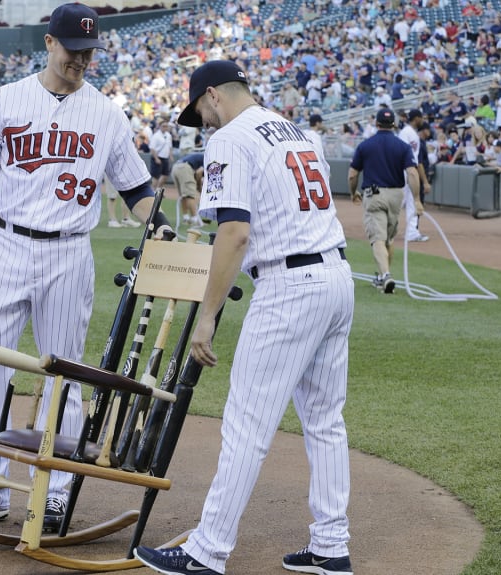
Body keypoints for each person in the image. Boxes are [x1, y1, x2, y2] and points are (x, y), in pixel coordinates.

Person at [0, 1, 173, 535]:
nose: (82, 60)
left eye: (89, 52)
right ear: (48, 43)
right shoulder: (7, 99)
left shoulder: (106, 113)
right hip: (7, 245)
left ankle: (55, 493)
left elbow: (137, 190)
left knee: (65, 373)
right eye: (73, 50)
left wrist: (160, 227)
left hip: (69, 252)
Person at [134, 59, 355, 575]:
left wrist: (207, 315)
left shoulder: (231, 138)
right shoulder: (299, 132)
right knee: (325, 421)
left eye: (201, 111)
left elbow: (234, 234)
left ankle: (207, 552)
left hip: (288, 287)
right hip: (335, 277)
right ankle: (331, 544)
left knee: (246, 425)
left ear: (213, 94)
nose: (203, 123)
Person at [348, 108, 422, 294]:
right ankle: (383, 276)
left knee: (378, 239)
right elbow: (412, 173)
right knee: (389, 238)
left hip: (374, 194)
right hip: (396, 195)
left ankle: (386, 275)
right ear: (394, 124)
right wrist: (417, 199)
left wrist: (353, 192)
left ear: (377, 123)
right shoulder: (403, 146)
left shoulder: (365, 145)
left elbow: (352, 174)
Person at [400, 109, 432, 242]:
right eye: (421, 117)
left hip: (407, 170)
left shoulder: (410, 133)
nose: (423, 120)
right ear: (416, 118)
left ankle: (412, 232)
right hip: (404, 170)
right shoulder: (408, 133)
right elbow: (413, 159)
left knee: (411, 201)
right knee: (399, 201)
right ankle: (384, 229)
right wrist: (424, 181)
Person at [171, 151, 205, 227]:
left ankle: (186, 218)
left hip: (176, 167)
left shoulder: (201, 156)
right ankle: (195, 220)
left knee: (184, 195)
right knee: (190, 195)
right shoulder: (208, 158)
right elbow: (199, 173)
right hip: (184, 168)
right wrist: (199, 186)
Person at [149, 117, 173, 189]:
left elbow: (169, 146)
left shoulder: (168, 135)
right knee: (156, 176)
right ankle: (153, 190)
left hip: (165, 158)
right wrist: (156, 158)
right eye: (163, 126)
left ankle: (158, 189)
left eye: (166, 126)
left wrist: (170, 156)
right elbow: (152, 148)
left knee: (165, 175)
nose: (165, 128)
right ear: (159, 126)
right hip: (157, 157)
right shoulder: (156, 136)